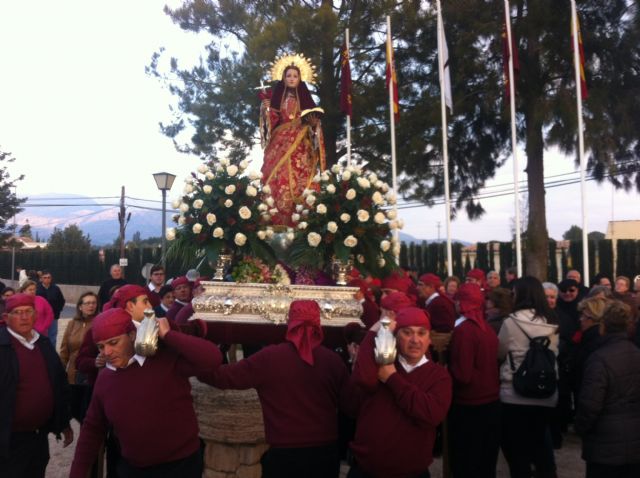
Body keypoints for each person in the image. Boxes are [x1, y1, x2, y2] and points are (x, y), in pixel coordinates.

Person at [70, 307, 223, 478]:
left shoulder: (166, 359)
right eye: (101, 346)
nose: (107, 352)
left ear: (132, 335)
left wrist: (168, 335)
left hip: (180, 467)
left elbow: (212, 359)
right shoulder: (106, 377)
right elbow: (93, 427)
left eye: (113, 343)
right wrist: (77, 472)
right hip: (132, 468)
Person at [205, 300, 350, 478]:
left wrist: (197, 359)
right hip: (325, 452)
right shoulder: (333, 361)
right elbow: (351, 404)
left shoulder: (269, 358)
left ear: (289, 322)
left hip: (284, 453)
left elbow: (223, 377)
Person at [349, 307, 452, 478]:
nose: (415, 340)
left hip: (410, 471)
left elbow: (431, 414)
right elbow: (363, 380)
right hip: (367, 469)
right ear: (396, 336)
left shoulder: (438, 376)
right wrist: (376, 330)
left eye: (421, 333)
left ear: (429, 340)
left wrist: (392, 379)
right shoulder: (382, 364)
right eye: (407, 332)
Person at [0, 293, 73, 477]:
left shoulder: (43, 343)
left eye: (28, 311)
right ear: (6, 318)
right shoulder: (2, 346)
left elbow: (59, 384)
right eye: (17, 312)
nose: (24, 317)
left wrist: (63, 422)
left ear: (35, 315)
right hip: (9, 441)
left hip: (38, 437)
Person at [498, 276, 559, 478]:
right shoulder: (552, 322)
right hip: (545, 392)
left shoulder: (510, 322)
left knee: (518, 454)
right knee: (541, 444)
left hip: (515, 391)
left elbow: (499, 353)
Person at [575, 300, 640, 478]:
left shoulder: (599, 359)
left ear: (603, 325)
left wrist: (581, 427)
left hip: (605, 444)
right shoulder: (636, 352)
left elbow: (590, 405)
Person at [260, 56, 326, 226]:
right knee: (277, 177)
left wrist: (313, 125)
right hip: (279, 143)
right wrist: (266, 108)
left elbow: (314, 126)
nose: (291, 78)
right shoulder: (277, 99)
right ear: (283, 78)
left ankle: (302, 220)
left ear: (299, 79)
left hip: (301, 142)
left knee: (302, 180)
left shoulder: (306, 101)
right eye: (288, 75)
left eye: (295, 76)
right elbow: (271, 122)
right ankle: (276, 219)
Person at [448, 283, 501, 478]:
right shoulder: (487, 328)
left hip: (470, 405)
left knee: (467, 462)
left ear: (460, 303)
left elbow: (463, 374)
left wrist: (445, 371)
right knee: (486, 462)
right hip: (491, 402)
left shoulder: (464, 330)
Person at [59, 292, 98, 423]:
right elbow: (64, 350)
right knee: (75, 410)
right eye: (87, 303)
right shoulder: (72, 324)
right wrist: (60, 372)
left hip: (91, 375)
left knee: (87, 415)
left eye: (93, 303)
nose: (91, 306)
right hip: (73, 375)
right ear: (80, 306)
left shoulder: (99, 323)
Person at [36, 270, 66, 350]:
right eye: (45, 278)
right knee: (40, 336)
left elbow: (61, 300)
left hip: (53, 317)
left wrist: (58, 310)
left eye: (49, 278)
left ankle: (52, 353)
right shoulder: (37, 289)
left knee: (52, 337)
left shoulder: (56, 289)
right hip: (40, 318)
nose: (47, 279)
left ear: (51, 278)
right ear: (41, 278)